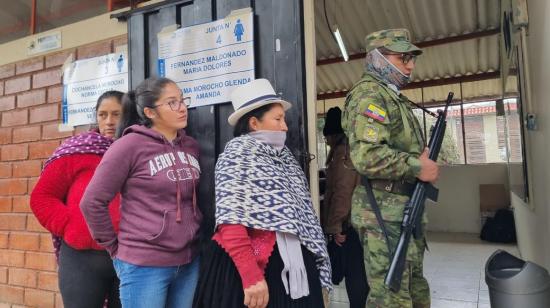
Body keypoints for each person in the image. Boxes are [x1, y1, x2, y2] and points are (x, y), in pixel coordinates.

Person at [193, 78, 331, 308]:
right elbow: (230, 221)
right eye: (278, 119)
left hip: (293, 262)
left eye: (283, 119)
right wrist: (251, 276)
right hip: (251, 269)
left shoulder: (285, 159)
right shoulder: (236, 157)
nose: (285, 126)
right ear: (254, 123)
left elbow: (302, 215)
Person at [80, 77, 202, 308]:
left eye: (182, 100)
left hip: (188, 262)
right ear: (150, 111)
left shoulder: (191, 146)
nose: (182, 107)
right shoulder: (128, 146)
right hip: (144, 264)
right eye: (172, 102)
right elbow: (92, 201)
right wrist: (114, 249)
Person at [341, 29, 439, 308]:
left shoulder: (393, 96)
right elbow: (367, 156)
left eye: (412, 58)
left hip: (402, 207)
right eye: (403, 57)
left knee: (414, 288)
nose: (410, 65)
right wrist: (416, 166)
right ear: (378, 59)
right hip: (382, 211)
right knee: (391, 297)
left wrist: (418, 160)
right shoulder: (370, 95)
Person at [30, 91, 124, 308]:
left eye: (116, 114)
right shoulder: (78, 150)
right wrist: (72, 225)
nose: (109, 122)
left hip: (130, 256)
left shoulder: (140, 151)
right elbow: (42, 197)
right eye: (102, 115)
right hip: (82, 259)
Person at [322, 107, 369, 308]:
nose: (326, 142)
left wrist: (336, 227)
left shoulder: (342, 154)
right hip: (356, 221)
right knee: (356, 272)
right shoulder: (348, 150)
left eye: (327, 137)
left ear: (333, 135)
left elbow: (342, 192)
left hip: (349, 225)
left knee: (354, 273)